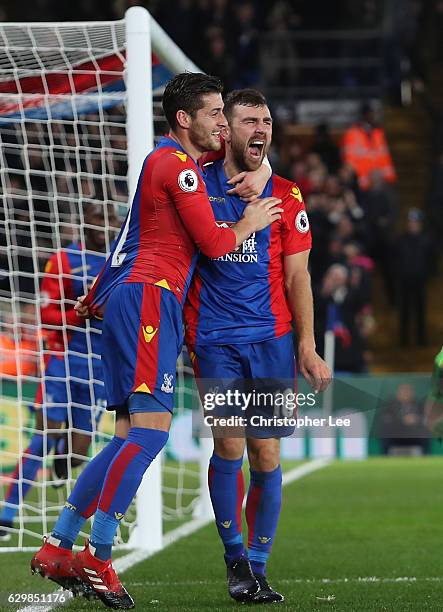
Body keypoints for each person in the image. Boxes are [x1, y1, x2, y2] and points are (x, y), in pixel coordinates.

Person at [31, 73, 283, 609]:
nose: (223, 122)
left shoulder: (167, 165)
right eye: (216, 113)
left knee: (127, 437)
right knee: (150, 435)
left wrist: (99, 290)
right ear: (185, 119)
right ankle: (98, 555)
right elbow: (216, 244)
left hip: (132, 295)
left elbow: (128, 235)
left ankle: (59, 542)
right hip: (151, 299)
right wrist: (254, 221)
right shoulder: (176, 165)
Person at [184, 89, 331, 604]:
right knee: (228, 443)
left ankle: (260, 566)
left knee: (266, 452)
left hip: (271, 340)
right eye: (249, 120)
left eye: (267, 120)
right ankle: (235, 560)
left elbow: (299, 277)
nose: (261, 129)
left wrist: (308, 347)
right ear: (228, 130)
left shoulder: (287, 197)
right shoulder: (197, 186)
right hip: (214, 338)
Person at [0, 203, 117, 541]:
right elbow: (45, 313)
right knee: (42, 438)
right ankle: (7, 515)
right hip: (63, 360)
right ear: (84, 222)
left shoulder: (119, 261)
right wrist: (81, 314)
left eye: (110, 219)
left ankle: (61, 466)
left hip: (99, 368)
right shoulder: (64, 260)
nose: (104, 225)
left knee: (79, 453)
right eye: (98, 217)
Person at [341, 103, 396, 192]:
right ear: (364, 114)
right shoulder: (352, 134)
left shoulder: (379, 133)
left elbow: (385, 157)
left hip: (382, 181)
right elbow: (349, 161)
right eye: (371, 113)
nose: (373, 116)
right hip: (360, 183)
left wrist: (385, 175)